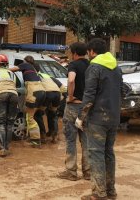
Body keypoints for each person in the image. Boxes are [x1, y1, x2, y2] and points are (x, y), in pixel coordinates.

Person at [76, 38, 124, 200]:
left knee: (96, 154)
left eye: (89, 52)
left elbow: (89, 95)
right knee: (108, 153)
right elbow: (122, 91)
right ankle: (110, 190)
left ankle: (99, 193)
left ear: (91, 52)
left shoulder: (94, 67)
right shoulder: (116, 68)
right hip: (114, 117)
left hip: (97, 118)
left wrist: (81, 117)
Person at [58, 42, 90, 181]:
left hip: (74, 106)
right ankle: (88, 172)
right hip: (87, 108)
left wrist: (70, 97)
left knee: (71, 140)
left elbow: (71, 80)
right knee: (86, 140)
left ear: (75, 53)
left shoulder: (74, 64)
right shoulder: (91, 66)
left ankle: (71, 172)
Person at [10, 56, 46, 147]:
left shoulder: (25, 64)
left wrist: (2, 69)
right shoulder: (33, 68)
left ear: (25, 61)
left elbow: (12, 69)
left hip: (34, 92)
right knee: (33, 115)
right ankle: (40, 136)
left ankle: (36, 140)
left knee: (29, 117)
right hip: (42, 92)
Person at [34, 65, 65, 143]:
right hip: (57, 94)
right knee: (53, 114)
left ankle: (42, 136)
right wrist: (63, 96)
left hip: (48, 94)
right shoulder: (46, 75)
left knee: (38, 114)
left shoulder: (34, 76)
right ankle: (54, 136)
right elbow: (62, 86)